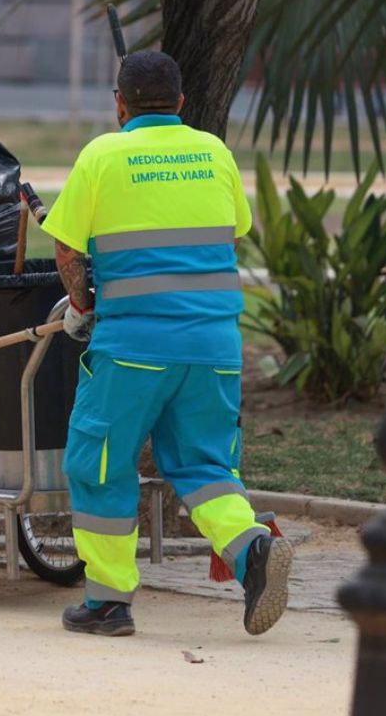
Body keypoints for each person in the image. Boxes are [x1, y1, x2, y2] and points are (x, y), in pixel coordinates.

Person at [39, 50, 292, 638]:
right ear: (181, 103)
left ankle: (107, 602)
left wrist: (81, 307)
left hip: (133, 347)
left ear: (119, 104)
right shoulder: (215, 152)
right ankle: (252, 548)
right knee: (204, 464)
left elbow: (68, 250)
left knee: (99, 464)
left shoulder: (103, 154)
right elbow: (231, 232)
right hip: (215, 346)